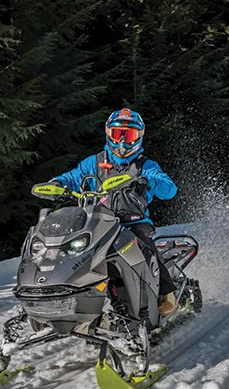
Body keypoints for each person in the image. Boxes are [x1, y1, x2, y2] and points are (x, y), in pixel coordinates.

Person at [49, 108, 179, 315]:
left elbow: (169, 189)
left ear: (139, 137)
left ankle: (167, 293)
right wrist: (57, 183)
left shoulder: (145, 165)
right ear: (109, 134)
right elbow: (73, 177)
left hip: (133, 222)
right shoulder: (95, 162)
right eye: (118, 135)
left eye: (129, 136)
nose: (122, 143)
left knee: (143, 246)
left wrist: (147, 180)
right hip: (96, 223)